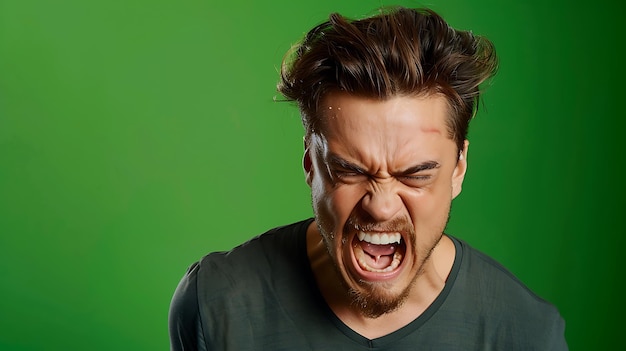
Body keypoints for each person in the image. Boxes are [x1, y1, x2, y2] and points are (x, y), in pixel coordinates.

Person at [168, 6, 567, 350]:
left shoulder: (526, 333)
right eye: (350, 171)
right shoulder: (215, 305)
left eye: (415, 175)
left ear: (458, 168)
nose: (381, 205)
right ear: (310, 161)